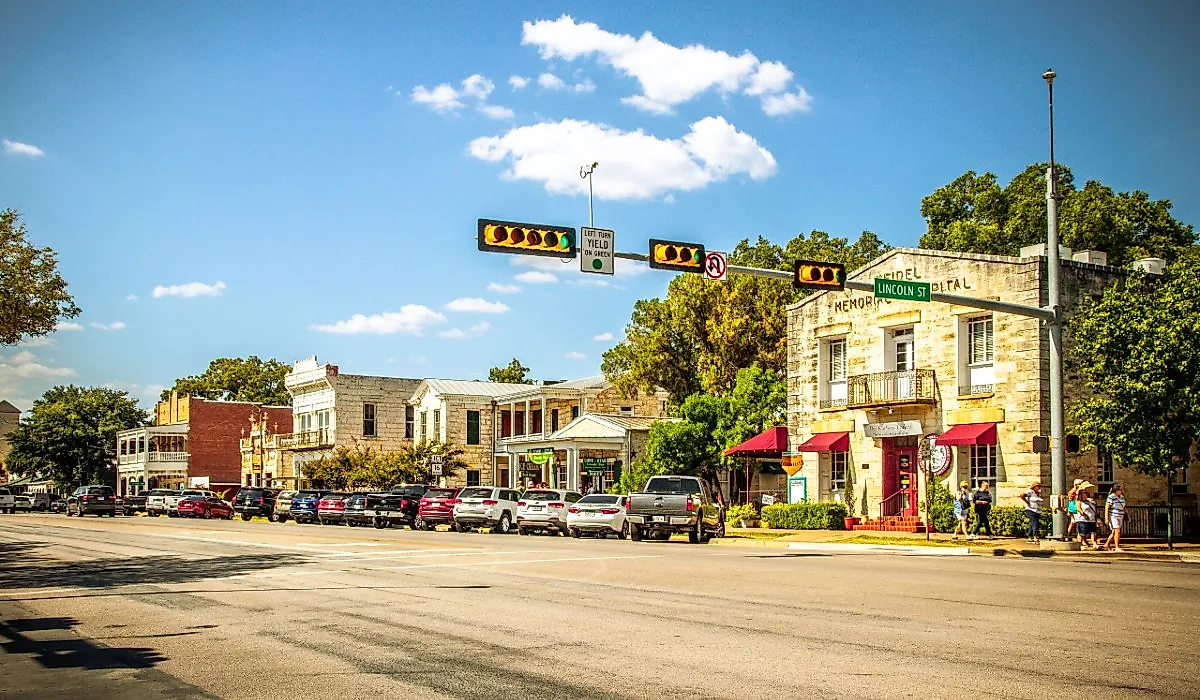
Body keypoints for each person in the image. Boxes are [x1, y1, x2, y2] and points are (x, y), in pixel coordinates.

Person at [1075, 482, 1099, 549]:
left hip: (1091, 519)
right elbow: (1079, 509)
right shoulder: (1079, 502)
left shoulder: (1089, 501)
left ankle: (1094, 543)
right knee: (1082, 533)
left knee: (1093, 532)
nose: (1086, 494)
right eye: (1085, 493)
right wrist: (1084, 515)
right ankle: (1080, 543)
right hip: (1082, 519)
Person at [1104, 484, 1126, 552]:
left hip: (1120, 515)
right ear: (1116, 490)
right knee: (1117, 531)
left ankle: (1107, 544)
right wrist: (1106, 518)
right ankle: (1117, 547)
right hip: (1114, 515)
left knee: (1114, 532)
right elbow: (1107, 507)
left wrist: (1127, 515)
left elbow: (1124, 506)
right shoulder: (1111, 497)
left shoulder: (1122, 497)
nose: (1121, 491)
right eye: (1120, 490)